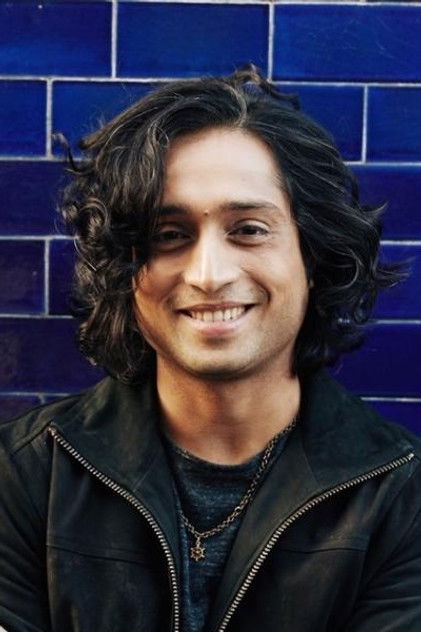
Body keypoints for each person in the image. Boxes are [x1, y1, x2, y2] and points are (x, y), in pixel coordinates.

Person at [0, 66, 420, 632]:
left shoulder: (401, 494)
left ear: (313, 258)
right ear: (125, 269)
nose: (209, 274)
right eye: (169, 235)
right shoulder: (23, 474)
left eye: (248, 229)